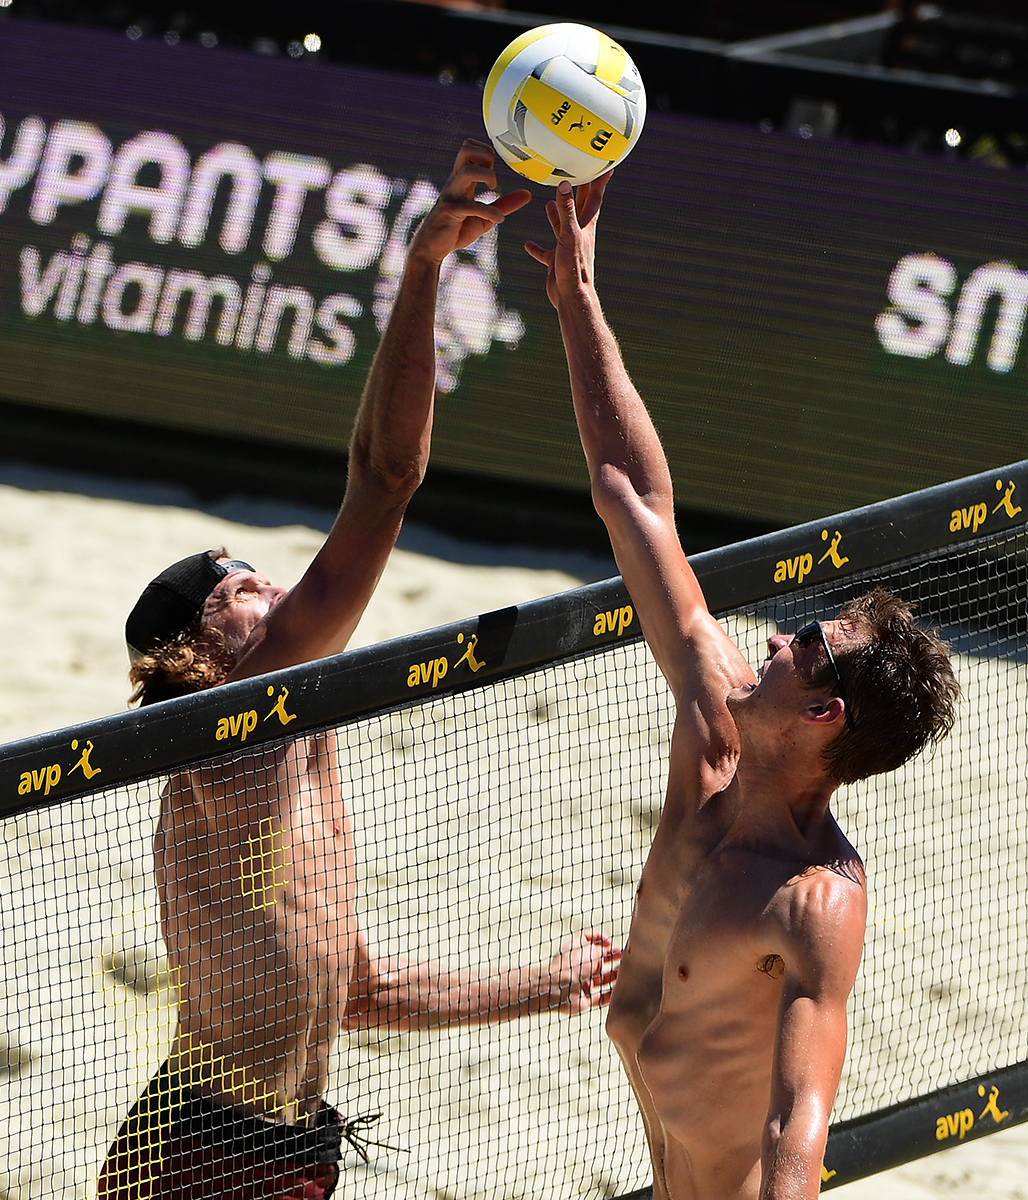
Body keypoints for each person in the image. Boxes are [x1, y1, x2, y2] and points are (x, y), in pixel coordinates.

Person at [98, 141, 620, 1200]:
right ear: (202, 650)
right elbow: (385, 478)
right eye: (239, 587)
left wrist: (546, 983)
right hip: (204, 1150)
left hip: (281, 1143)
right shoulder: (235, 722)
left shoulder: (302, 741)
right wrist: (425, 265)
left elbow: (358, 990)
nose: (273, 584)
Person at [526, 175, 959, 1200]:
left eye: (803, 642)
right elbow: (631, 496)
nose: (771, 636)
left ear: (821, 715)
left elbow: (793, 1129)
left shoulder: (813, 903)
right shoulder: (711, 728)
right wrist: (576, 297)